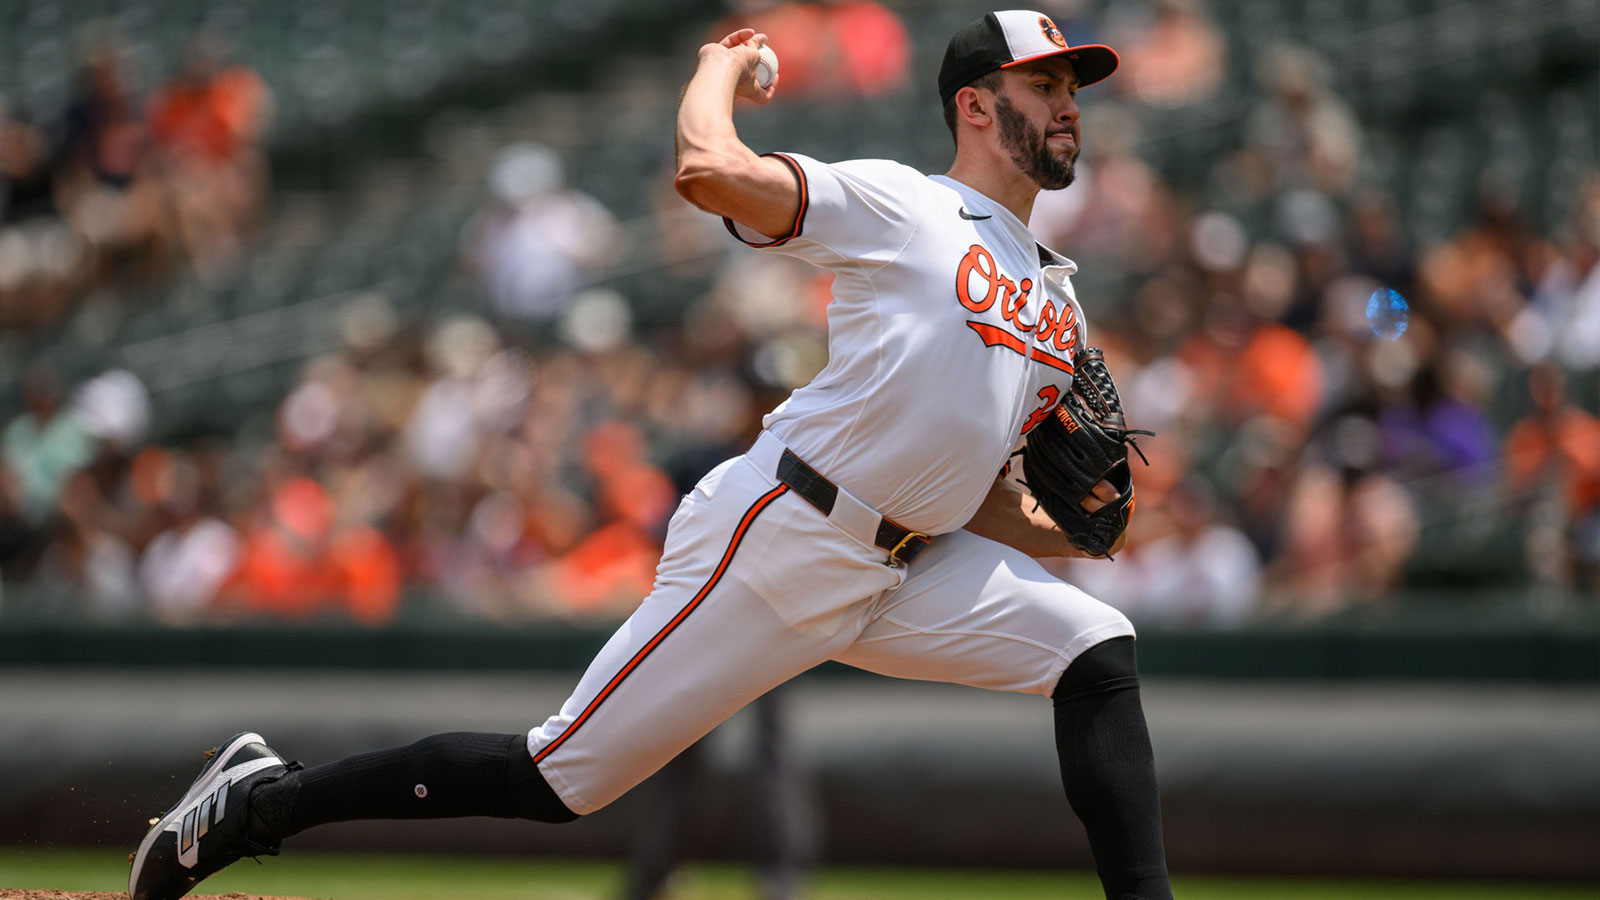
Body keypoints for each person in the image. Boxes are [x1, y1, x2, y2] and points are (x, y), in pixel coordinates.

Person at [128, 11, 1174, 900]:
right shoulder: (909, 205)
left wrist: (1068, 532)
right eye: (1043, 81)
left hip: (907, 565)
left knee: (1094, 649)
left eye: (1072, 82)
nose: (1069, 99)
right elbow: (707, 170)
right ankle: (256, 805)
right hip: (784, 532)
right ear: (975, 106)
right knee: (554, 779)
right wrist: (720, 64)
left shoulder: (1057, 298)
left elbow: (965, 484)